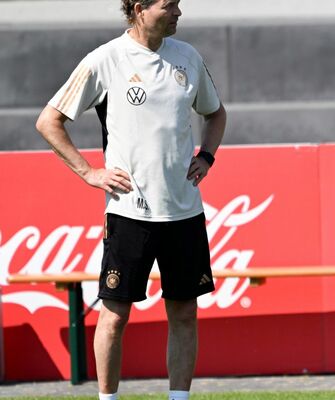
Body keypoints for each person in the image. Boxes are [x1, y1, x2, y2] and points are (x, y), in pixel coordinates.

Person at [34, 1, 226, 399]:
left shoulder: (187, 57)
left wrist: (206, 155)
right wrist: (89, 172)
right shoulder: (105, 59)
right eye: (169, 5)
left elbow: (216, 113)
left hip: (184, 212)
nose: (178, 13)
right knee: (115, 315)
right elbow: (49, 121)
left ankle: (179, 397)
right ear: (140, 8)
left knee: (184, 313)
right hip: (128, 213)